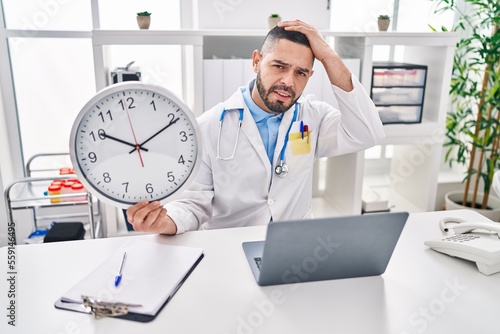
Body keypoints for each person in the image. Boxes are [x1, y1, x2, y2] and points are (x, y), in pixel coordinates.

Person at [126, 20, 384, 235]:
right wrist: (164, 222)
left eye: (300, 73)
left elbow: (367, 133)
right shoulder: (208, 127)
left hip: (294, 246)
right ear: (257, 61)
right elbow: (194, 205)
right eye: (279, 66)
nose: (287, 81)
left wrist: (328, 55)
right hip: (231, 246)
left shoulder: (313, 117)